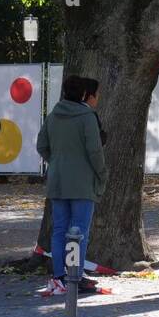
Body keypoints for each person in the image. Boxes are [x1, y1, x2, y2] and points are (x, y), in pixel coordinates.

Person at [36, 74, 108, 296]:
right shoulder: (87, 117)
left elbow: (41, 146)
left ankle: (58, 277)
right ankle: (75, 275)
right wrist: (101, 173)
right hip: (82, 182)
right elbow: (95, 151)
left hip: (57, 181)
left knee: (59, 230)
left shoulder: (53, 116)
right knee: (79, 231)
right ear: (86, 94)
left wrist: (56, 162)